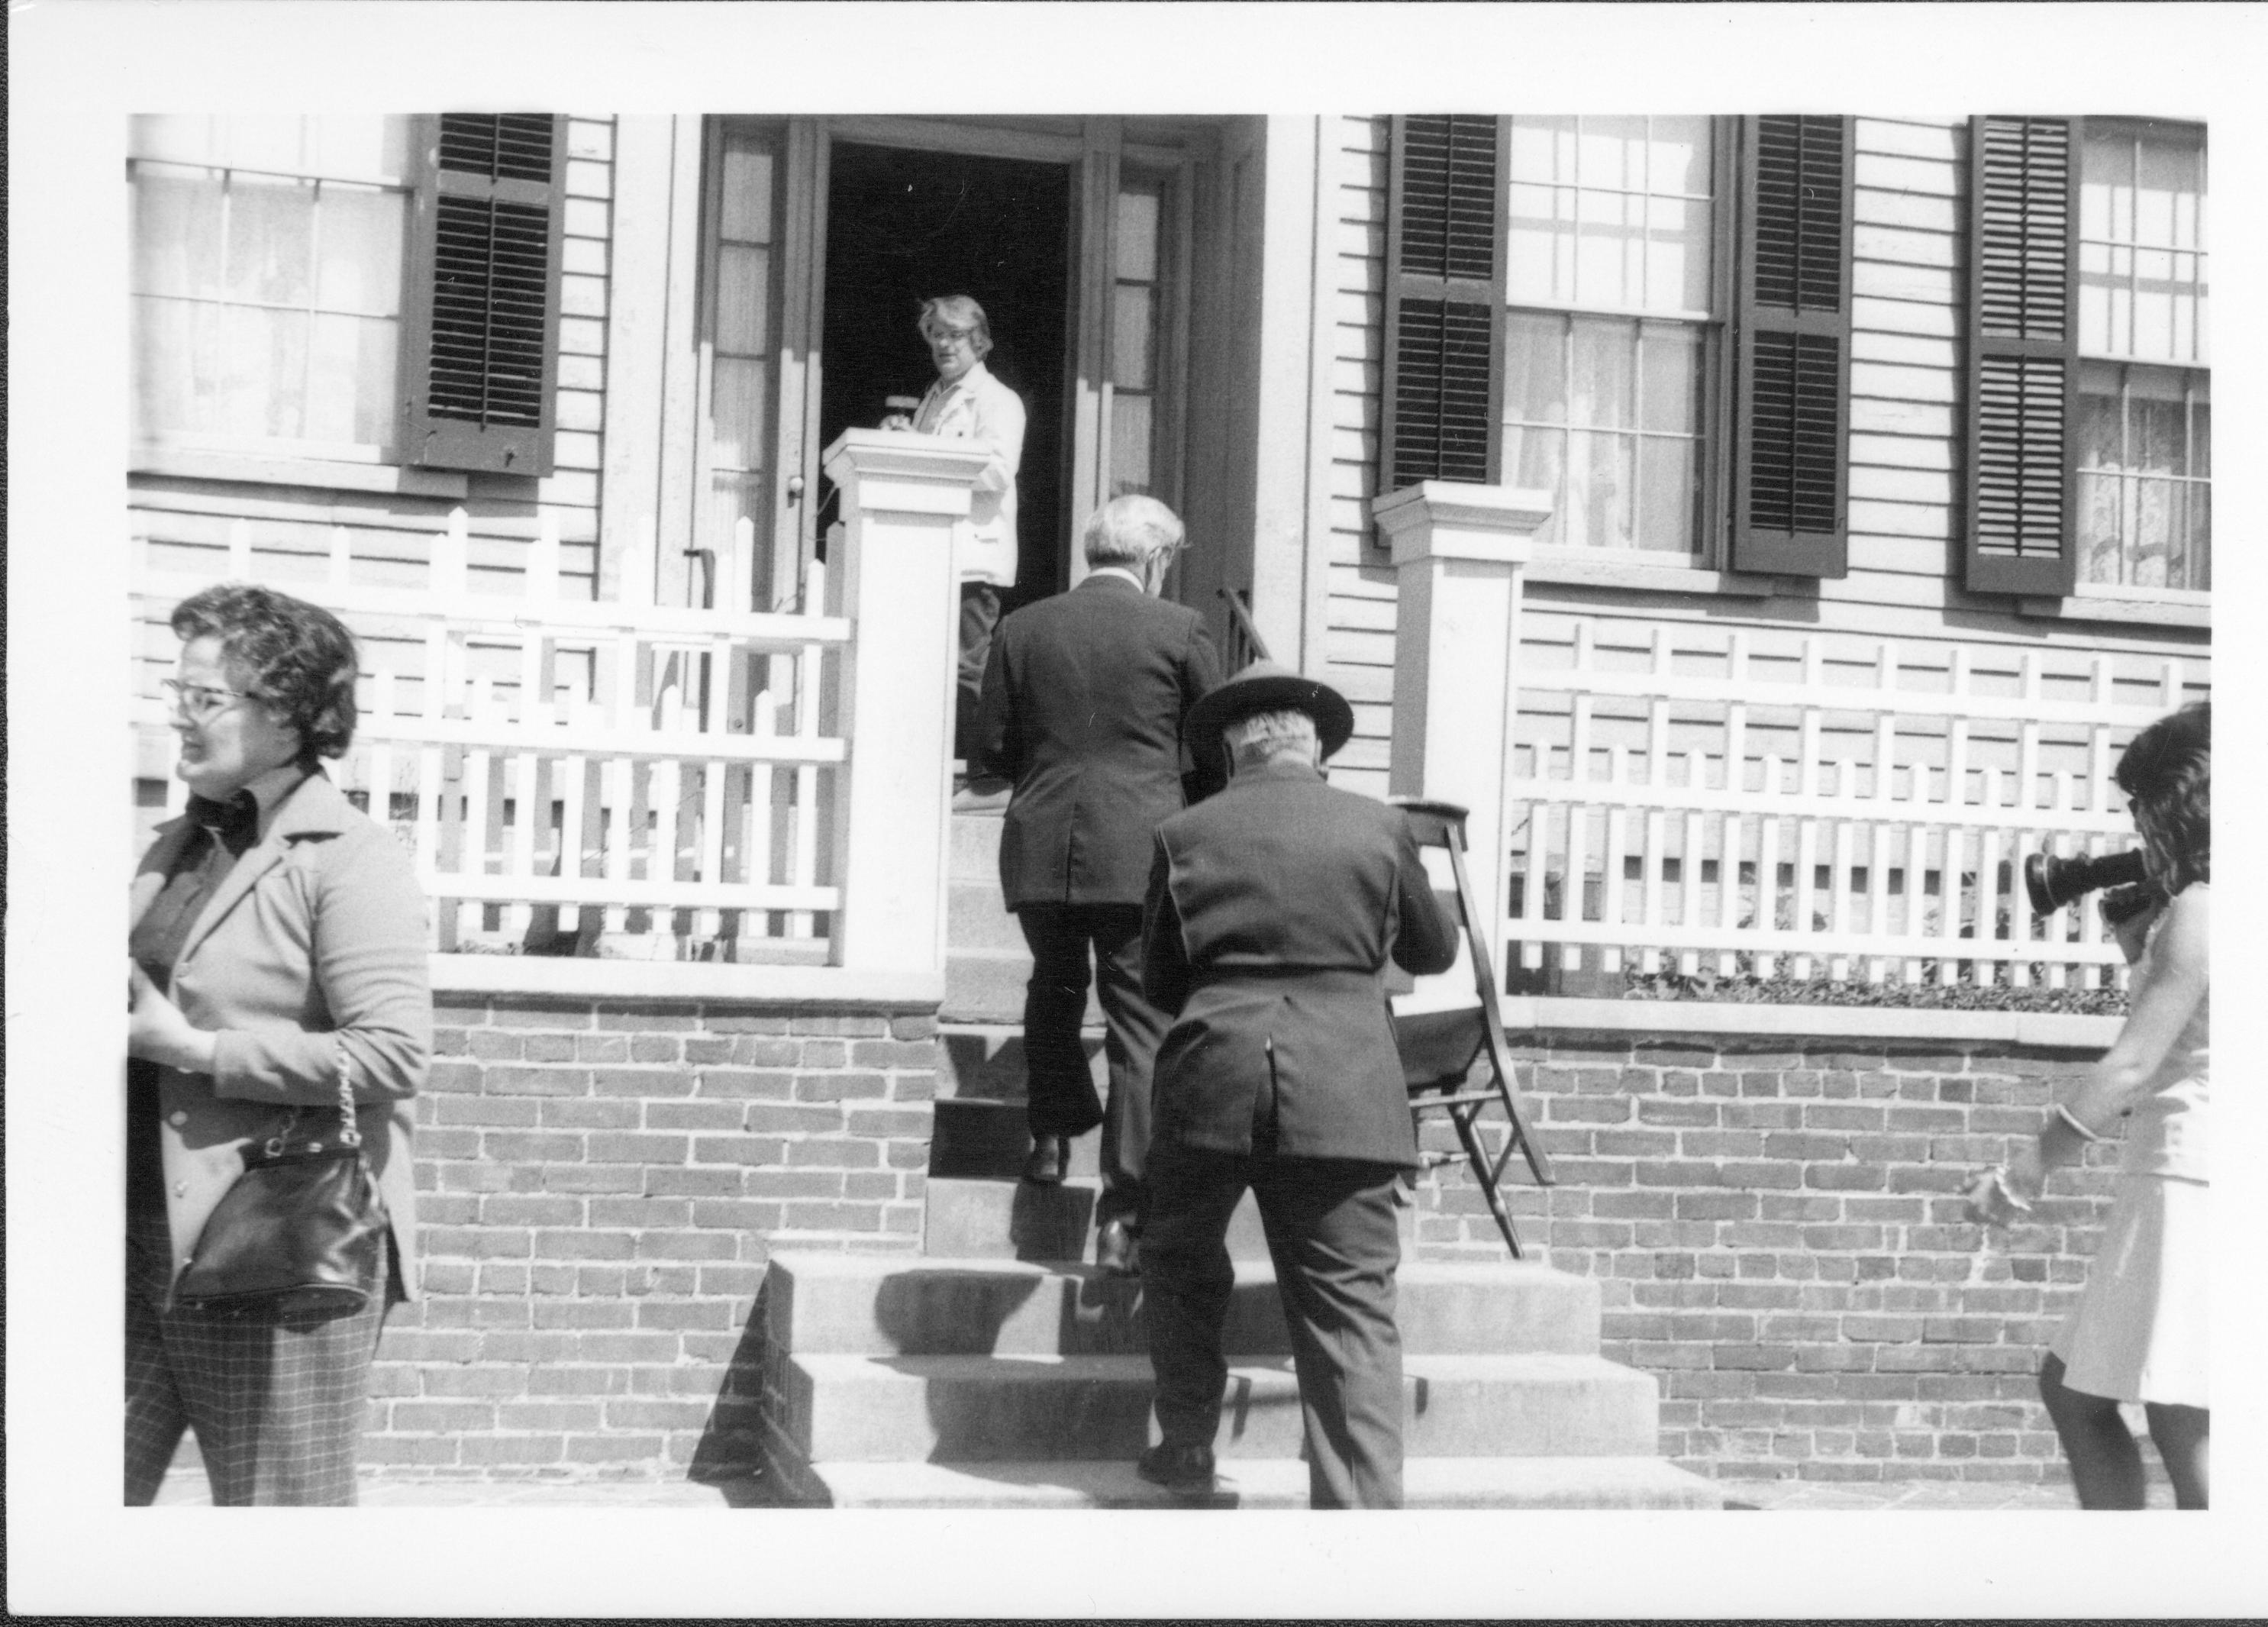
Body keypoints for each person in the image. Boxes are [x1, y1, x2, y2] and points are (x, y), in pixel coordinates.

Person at [125, 583, 431, 1505]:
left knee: (277, 1532)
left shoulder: (349, 854)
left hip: (270, 1251)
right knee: (54, 1502)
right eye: (177, 692)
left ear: (290, 713)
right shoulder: (175, 842)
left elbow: (390, 1054)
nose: (180, 717)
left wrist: (195, 1051)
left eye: (205, 698)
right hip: (128, 1236)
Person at [1134, 661, 1458, 1508]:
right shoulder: (1381, 827)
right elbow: (1433, 952)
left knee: (1177, 1263)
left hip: (1212, 1071)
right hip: (1345, 1082)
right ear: (1315, 747)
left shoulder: (1182, 833)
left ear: (1235, 751)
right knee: (1349, 1312)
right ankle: (1359, 1523)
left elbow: (1160, 977)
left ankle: (1187, 1444)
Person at [1966, 700, 2209, 1509]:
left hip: (2188, 1175)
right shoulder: (2203, 907)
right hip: (2188, 1165)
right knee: (2080, 1393)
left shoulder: (2207, 907)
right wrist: (2141, 942)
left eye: (2141, 806)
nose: (2136, 826)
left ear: (2182, 803)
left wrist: (2023, 1171)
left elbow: (2134, 1062)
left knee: (2184, 1413)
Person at [970, 495, 1221, 1275]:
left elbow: (991, 746)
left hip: (1040, 839)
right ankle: (1123, 1217)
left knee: (1052, 985)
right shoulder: (1178, 630)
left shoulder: (1020, 627)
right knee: (1139, 1023)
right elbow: (1215, 745)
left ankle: (1049, 1140)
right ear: (1154, 560)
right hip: (1139, 847)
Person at [882, 294, 1028, 761]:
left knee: (967, 668)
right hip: (927, 553)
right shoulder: (933, 397)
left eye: (957, 335)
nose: (945, 345)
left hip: (971, 554)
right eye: (937, 335)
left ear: (980, 341)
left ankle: (976, 773)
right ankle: (928, 766)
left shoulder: (998, 400)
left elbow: (997, 472)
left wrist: (924, 453)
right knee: (922, 664)